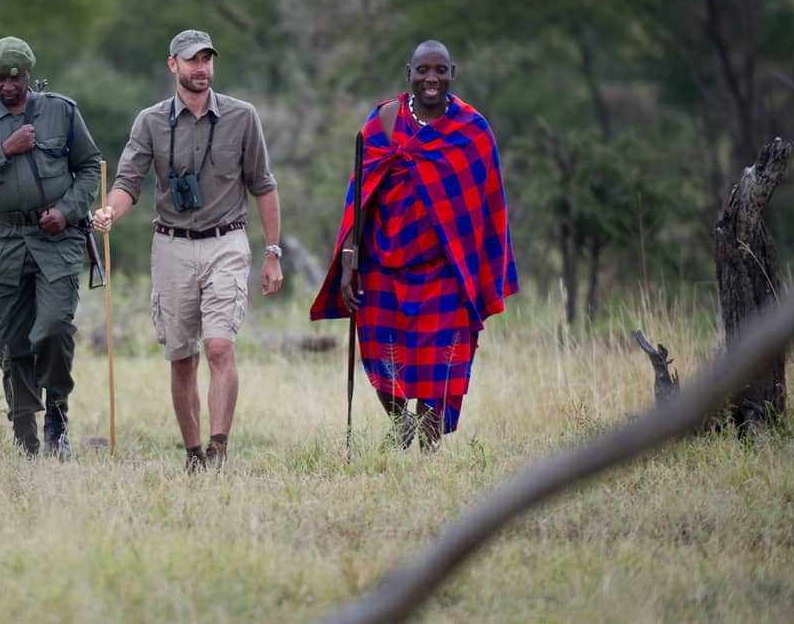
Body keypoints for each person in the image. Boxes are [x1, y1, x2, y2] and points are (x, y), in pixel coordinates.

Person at [92, 29, 284, 473]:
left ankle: (219, 448)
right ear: (172, 64)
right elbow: (127, 183)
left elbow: (264, 185)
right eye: (192, 60)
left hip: (227, 241)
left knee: (219, 346)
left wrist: (272, 252)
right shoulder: (151, 121)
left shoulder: (242, 116)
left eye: (207, 60)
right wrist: (109, 213)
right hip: (172, 245)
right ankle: (193, 453)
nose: (201, 68)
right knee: (182, 356)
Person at [310, 40, 517, 451]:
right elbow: (360, 195)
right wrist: (350, 259)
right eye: (423, 70)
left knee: (441, 360)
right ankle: (400, 421)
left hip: (445, 270)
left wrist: (476, 271)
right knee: (379, 349)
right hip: (384, 262)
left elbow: (487, 206)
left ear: (452, 73)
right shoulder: (384, 121)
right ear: (409, 73)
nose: (431, 79)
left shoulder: (472, 131)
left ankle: (427, 437)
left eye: (440, 70)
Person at [0, 37, 103, 458]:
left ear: (28, 74)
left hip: (56, 240)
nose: (7, 86)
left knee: (53, 329)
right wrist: (4, 150)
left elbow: (89, 166)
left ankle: (57, 418)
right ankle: (24, 433)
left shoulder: (61, 110)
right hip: (5, 239)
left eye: (15, 77)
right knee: (11, 341)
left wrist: (67, 210)